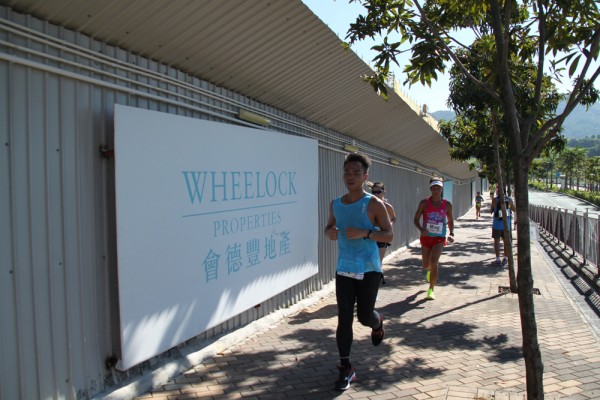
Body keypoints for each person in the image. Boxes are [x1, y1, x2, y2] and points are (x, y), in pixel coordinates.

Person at [324, 152, 393, 391]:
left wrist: (366, 233)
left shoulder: (374, 204)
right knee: (344, 317)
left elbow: (389, 234)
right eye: (346, 172)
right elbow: (329, 227)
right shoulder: (335, 203)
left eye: (355, 173)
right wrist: (330, 232)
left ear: (365, 177)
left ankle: (377, 322)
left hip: (369, 269)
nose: (350, 177)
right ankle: (346, 367)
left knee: (364, 317)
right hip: (345, 268)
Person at [413, 177, 454, 300]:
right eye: (434, 188)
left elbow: (450, 220)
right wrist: (421, 230)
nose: (436, 191)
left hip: (439, 237)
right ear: (431, 189)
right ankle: (429, 271)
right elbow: (416, 220)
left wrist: (451, 233)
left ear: (442, 190)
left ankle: (431, 289)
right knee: (426, 265)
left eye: (438, 188)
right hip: (426, 237)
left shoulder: (447, 205)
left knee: (434, 261)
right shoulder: (424, 203)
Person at [368, 181, 397, 283]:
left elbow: (394, 218)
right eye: (373, 192)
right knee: (369, 260)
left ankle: (376, 280)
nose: (376, 194)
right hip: (369, 235)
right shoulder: (368, 205)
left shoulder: (387, 206)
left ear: (384, 192)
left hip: (382, 235)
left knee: (378, 260)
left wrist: (389, 224)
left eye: (378, 192)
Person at [491, 191, 516, 266]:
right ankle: (505, 258)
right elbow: (514, 210)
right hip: (506, 225)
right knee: (506, 242)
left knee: (497, 242)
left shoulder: (494, 200)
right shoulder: (509, 200)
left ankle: (498, 259)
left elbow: (491, 210)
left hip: (497, 225)